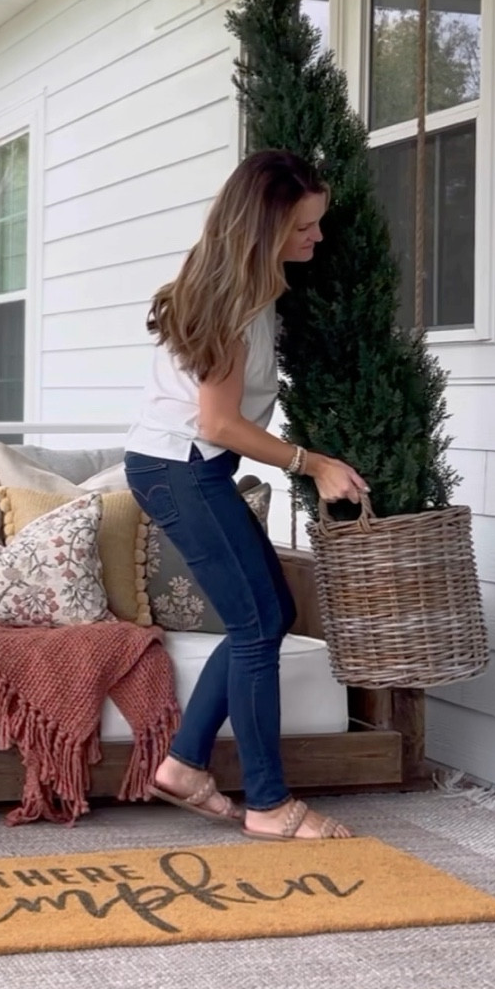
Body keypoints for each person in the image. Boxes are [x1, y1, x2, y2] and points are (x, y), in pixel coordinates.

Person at [124, 149, 369, 841]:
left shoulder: (250, 289)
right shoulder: (232, 300)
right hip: (181, 467)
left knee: (266, 613)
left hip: (186, 467)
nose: (316, 239)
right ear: (262, 230)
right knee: (258, 627)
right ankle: (267, 804)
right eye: (302, 228)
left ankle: (182, 766)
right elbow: (219, 423)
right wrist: (313, 463)